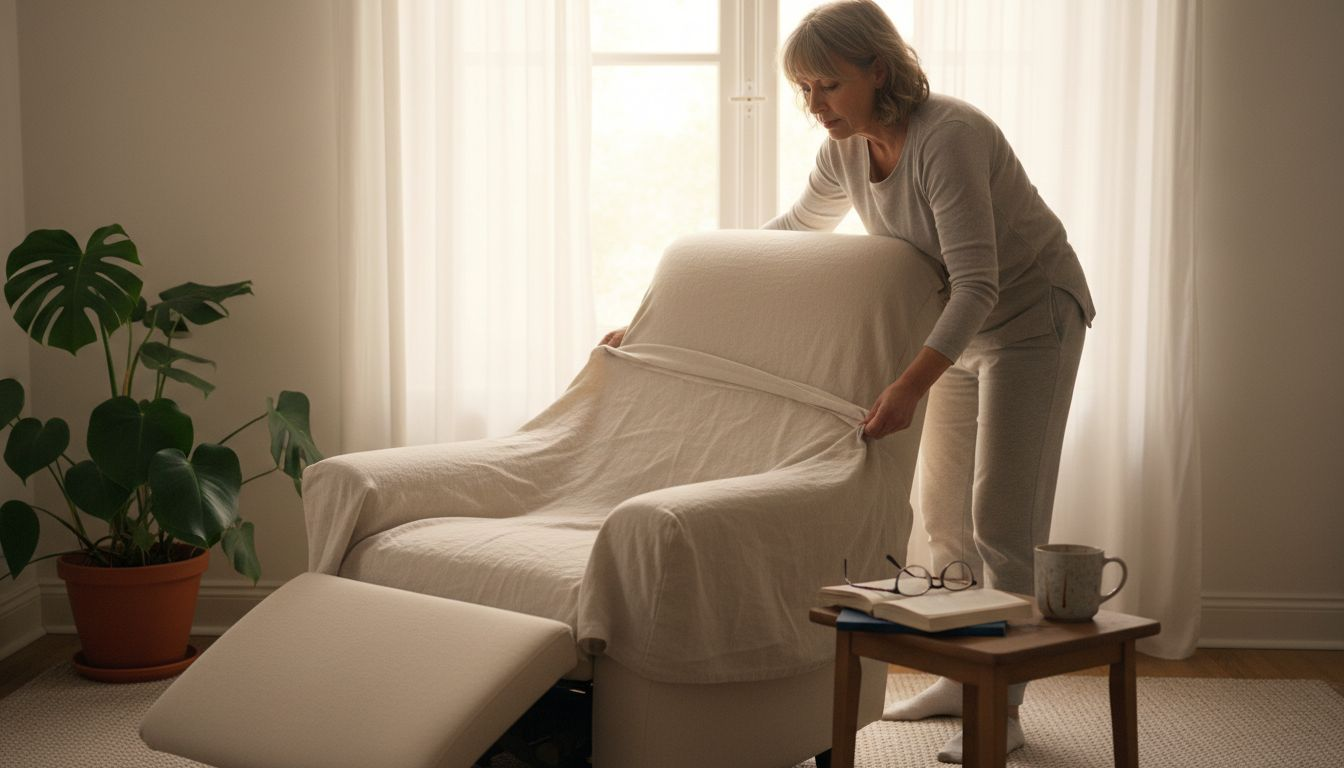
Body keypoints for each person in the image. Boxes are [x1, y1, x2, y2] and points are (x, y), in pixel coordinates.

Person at [766, 0, 1091, 763]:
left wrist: (908, 386)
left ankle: (1002, 707)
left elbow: (979, 280)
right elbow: (789, 236)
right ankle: (957, 674)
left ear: (877, 69)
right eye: (803, 90)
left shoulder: (950, 136)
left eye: (826, 86)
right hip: (958, 335)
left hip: (1031, 319)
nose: (814, 106)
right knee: (943, 516)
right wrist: (680, 298)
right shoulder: (843, 150)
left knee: (1001, 519)